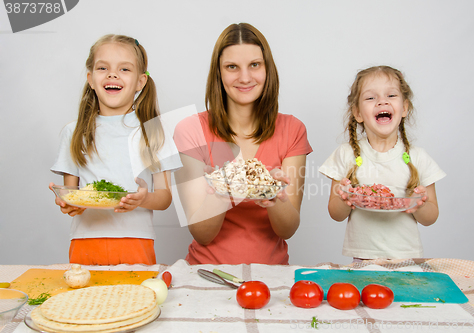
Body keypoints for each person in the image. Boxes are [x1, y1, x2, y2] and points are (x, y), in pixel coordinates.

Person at [173, 23, 313, 265]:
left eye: (255, 65)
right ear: (218, 73)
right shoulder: (189, 130)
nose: (245, 77)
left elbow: (287, 229)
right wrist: (222, 190)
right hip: (208, 275)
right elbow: (202, 234)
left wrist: (274, 194)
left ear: (267, 69)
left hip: (272, 277)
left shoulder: (293, 130)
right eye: (232, 67)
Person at [49, 34, 182, 265]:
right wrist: (68, 203)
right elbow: (72, 194)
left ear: (141, 82)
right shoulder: (74, 132)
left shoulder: (154, 132)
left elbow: (164, 198)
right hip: (85, 241)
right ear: (91, 79)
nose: (112, 74)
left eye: (124, 69)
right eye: (103, 68)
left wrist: (142, 199)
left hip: (136, 241)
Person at [319, 65, 446, 260]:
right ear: (358, 113)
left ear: (404, 108)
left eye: (391, 96)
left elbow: (431, 217)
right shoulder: (346, 154)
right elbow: (335, 214)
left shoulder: (419, 157)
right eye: (371, 98)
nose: (382, 101)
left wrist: (420, 204)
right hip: (363, 259)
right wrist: (345, 198)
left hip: (407, 258)